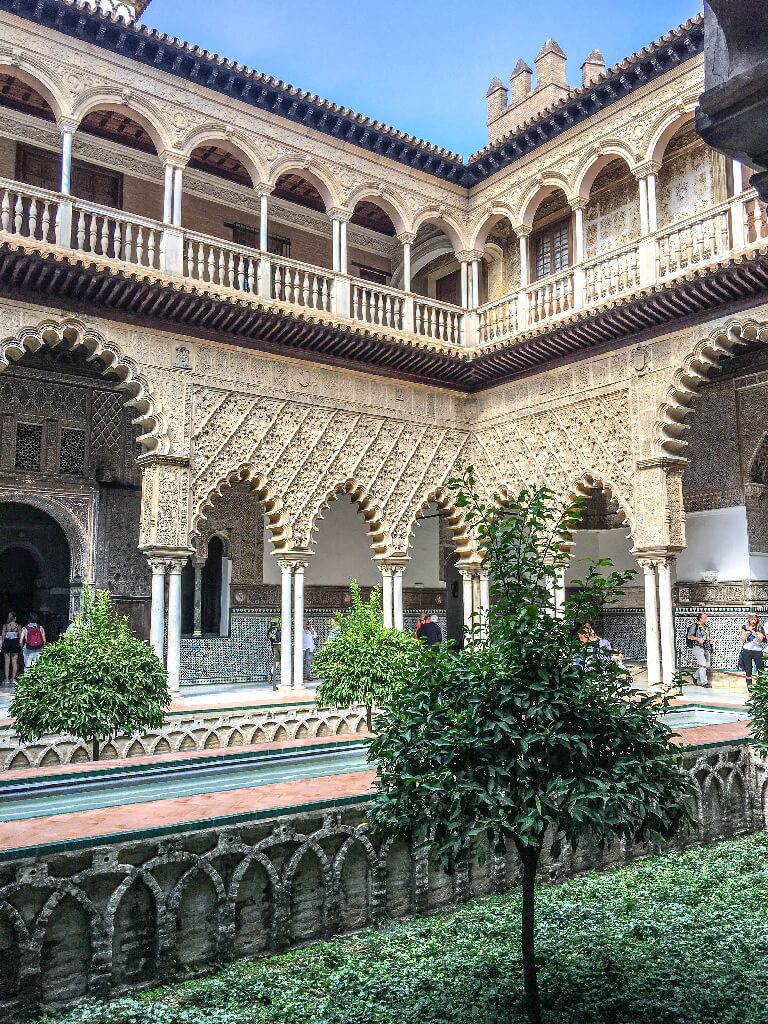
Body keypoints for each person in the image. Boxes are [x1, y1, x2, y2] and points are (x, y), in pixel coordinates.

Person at [739, 612, 765, 691]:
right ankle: (750, 688)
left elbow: (760, 641)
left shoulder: (760, 628)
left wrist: (755, 634)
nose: (753, 621)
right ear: (749, 620)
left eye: (755, 619)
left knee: (760, 669)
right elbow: (742, 638)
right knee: (748, 669)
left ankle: (761, 687)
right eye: (752, 619)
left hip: (757, 650)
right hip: (747, 650)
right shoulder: (745, 627)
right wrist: (747, 634)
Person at [686, 611, 712, 688]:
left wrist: (710, 639)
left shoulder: (706, 627)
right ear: (700, 618)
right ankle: (704, 683)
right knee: (703, 665)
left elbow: (706, 637)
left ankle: (694, 676)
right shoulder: (695, 626)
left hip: (705, 647)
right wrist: (698, 639)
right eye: (705, 617)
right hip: (697, 647)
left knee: (707, 665)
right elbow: (689, 636)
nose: (706, 619)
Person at [1, 612, 21, 686]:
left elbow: (3, 636)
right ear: (15, 618)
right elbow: (20, 636)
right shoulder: (18, 626)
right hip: (15, 642)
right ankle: (13, 678)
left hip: (7, 642)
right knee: (14, 662)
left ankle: (6, 679)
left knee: (7, 662)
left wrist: (2, 645)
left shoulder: (5, 626)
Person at [267, 616, 281, 690]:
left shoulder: (271, 630)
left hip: (274, 646)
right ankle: (286, 681)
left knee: (277, 661)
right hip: (281, 646)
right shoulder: (279, 629)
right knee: (285, 661)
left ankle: (271, 673)